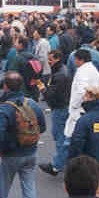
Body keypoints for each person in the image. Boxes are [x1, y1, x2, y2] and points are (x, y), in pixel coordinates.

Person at [67, 86, 99, 198]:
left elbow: (76, 145)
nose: (83, 98)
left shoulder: (84, 120)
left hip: (87, 169)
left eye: (85, 96)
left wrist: (71, 165)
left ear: (91, 98)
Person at [37, 49, 70, 177]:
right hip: (63, 107)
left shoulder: (59, 75)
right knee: (62, 136)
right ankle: (63, 162)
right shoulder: (62, 70)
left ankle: (57, 166)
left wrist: (43, 89)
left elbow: (52, 95)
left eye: (50, 59)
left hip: (60, 108)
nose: (48, 62)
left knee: (60, 136)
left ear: (57, 59)